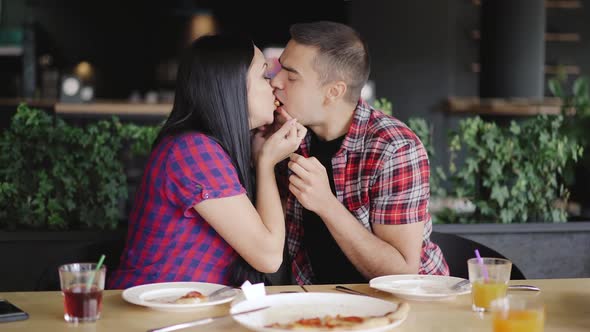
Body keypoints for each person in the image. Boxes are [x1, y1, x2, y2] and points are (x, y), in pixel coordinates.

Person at [108, 34, 306, 289]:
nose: (274, 86)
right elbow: (268, 257)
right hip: (154, 315)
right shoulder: (193, 150)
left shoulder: (209, 147)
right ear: (230, 86)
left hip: (191, 310)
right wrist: (266, 162)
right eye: (264, 75)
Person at [269, 21, 449, 285]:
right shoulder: (291, 135)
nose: (275, 81)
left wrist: (327, 204)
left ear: (333, 92)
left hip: (405, 305)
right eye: (278, 68)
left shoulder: (395, 148)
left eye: (291, 75)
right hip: (319, 303)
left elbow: (402, 275)